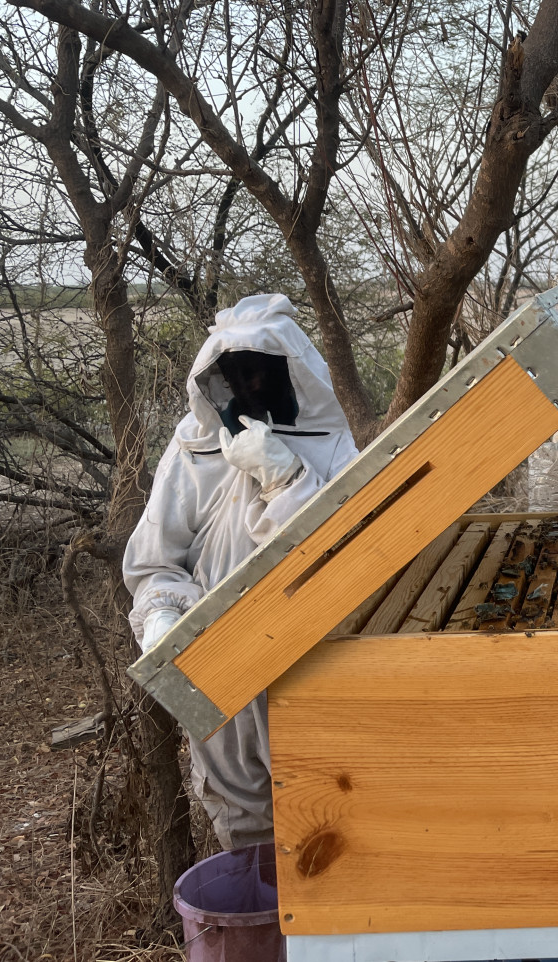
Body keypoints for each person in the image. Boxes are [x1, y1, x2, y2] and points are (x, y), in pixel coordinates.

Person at [123, 294, 358, 849]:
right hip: (216, 662)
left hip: (312, 662)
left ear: (290, 373)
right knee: (241, 819)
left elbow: (343, 557)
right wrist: (161, 618)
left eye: (260, 372)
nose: (248, 387)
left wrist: (287, 477)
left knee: (325, 813)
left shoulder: (330, 447)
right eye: (233, 375)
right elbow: (155, 560)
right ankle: (260, 929)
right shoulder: (191, 453)